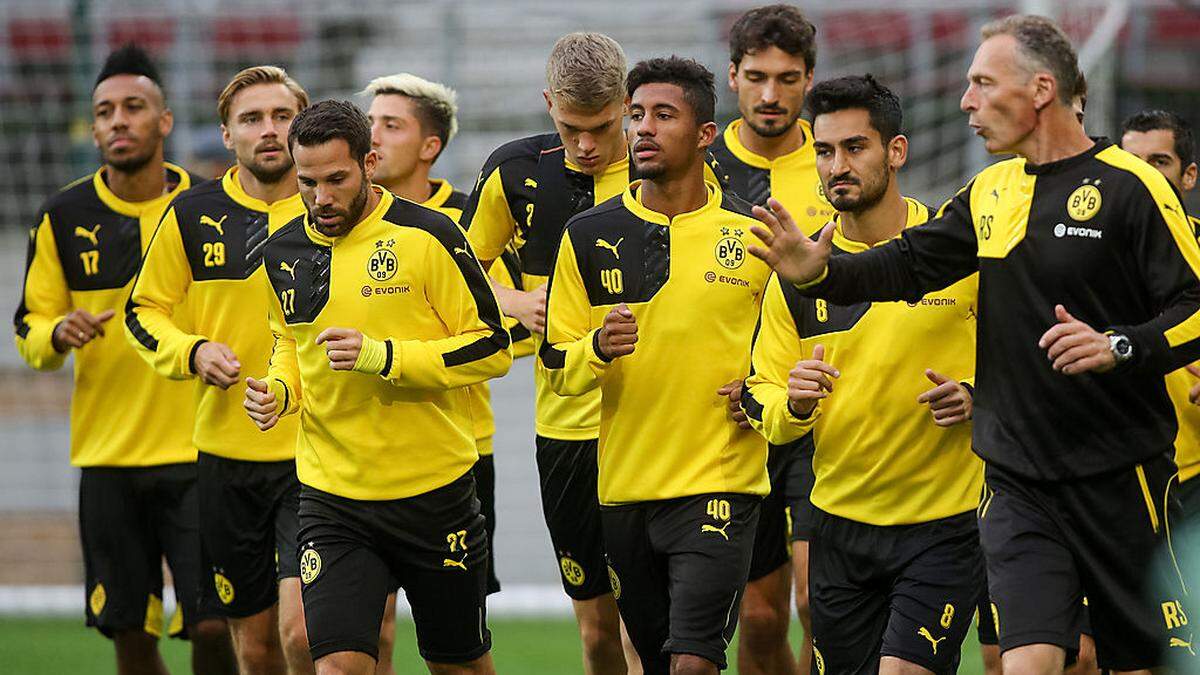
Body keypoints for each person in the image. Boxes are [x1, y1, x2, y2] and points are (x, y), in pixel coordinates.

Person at [745, 14, 1200, 674]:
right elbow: (907, 262)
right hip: (1017, 485)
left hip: (1119, 474)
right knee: (1023, 664)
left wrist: (1120, 345)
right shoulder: (990, 190)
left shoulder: (1131, 185)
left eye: (983, 84)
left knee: (1139, 665)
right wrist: (822, 272)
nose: (966, 102)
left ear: (1040, 89)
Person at [243, 99, 511, 675]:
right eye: (307, 182)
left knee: (458, 664)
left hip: (433, 493)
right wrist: (279, 392)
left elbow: (492, 346)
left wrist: (383, 357)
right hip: (331, 496)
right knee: (338, 666)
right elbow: (289, 344)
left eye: (337, 179)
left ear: (368, 163)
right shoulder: (282, 252)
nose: (321, 197)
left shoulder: (430, 235)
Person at [742, 74, 984, 675]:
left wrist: (978, 396)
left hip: (943, 527)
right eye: (824, 151)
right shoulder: (799, 274)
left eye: (855, 147)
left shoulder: (957, 252)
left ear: (895, 151)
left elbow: (1027, 364)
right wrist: (793, 405)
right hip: (839, 528)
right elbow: (765, 399)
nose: (836, 166)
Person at [542, 56, 771, 675]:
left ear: (705, 135)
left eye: (663, 115)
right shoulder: (588, 235)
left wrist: (764, 392)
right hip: (625, 489)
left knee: (693, 662)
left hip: (720, 481)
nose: (642, 128)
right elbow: (555, 360)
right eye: (637, 114)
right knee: (648, 658)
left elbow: (790, 349)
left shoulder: (754, 234)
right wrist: (595, 347)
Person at [12, 44, 234, 675]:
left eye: (133, 107)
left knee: (215, 624)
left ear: (164, 121)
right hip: (108, 458)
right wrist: (58, 334)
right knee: (130, 636)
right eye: (104, 110)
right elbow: (29, 328)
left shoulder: (209, 207)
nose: (117, 121)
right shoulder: (63, 215)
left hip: (202, 450)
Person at [461, 32, 639, 674]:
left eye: (600, 126)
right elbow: (456, 269)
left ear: (626, 104)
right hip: (564, 427)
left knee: (652, 629)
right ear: (547, 104)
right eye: (570, 128)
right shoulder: (514, 172)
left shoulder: (664, 168)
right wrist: (512, 302)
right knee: (596, 633)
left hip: (655, 423)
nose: (586, 144)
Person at [126, 65, 312, 674]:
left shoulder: (334, 210)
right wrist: (193, 350)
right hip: (225, 459)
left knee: (303, 632)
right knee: (254, 648)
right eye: (252, 119)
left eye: (282, 117)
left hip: (318, 455)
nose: (269, 130)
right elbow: (142, 310)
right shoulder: (190, 214)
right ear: (227, 135)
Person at [362, 72, 533, 675]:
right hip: (362, 455)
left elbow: (525, 326)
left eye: (391, 124)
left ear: (429, 145)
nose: (372, 134)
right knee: (367, 634)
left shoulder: (468, 219)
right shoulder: (344, 221)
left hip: (456, 453)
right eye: (370, 121)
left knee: (458, 650)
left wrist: (496, 307)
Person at [709, 7, 827, 673]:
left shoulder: (838, 163)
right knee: (757, 621)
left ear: (809, 80)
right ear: (733, 77)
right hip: (732, 417)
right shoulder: (701, 168)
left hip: (818, 410)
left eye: (787, 78)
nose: (771, 94)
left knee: (818, 602)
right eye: (757, 77)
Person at [1119, 110, 1200, 520]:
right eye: (1132, 163)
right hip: (1117, 473)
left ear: (1189, 176)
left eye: (1160, 162)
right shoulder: (1089, 255)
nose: (1145, 176)